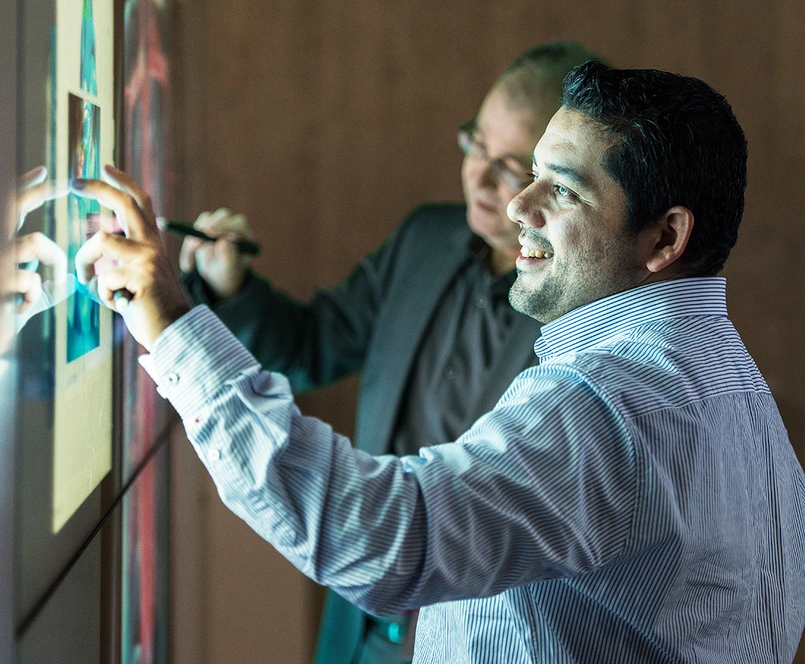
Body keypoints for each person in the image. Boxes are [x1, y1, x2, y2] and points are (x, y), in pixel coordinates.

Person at [73, 61, 805, 664]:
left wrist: (166, 318)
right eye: (528, 171)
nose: (517, 204)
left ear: (664, 237)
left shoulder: (604, 402)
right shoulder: (746, 400)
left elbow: (369, 535)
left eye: (562, 187)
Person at [177, 41, 602, 663]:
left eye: (513, 167)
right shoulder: (424, 240)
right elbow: (311, 346)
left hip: (487, 637)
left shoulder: (593, 309)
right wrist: (231, 287)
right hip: (362, 624)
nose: (479, 178)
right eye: (475, 145)